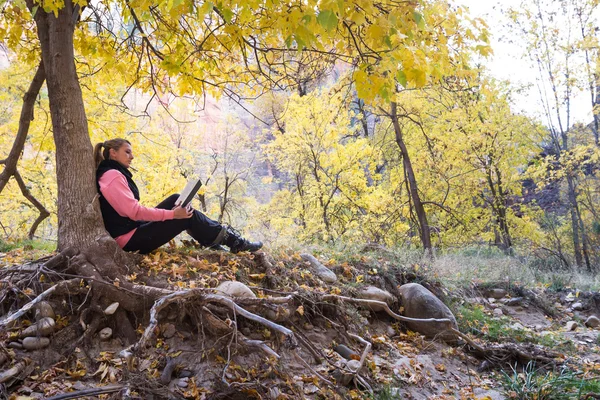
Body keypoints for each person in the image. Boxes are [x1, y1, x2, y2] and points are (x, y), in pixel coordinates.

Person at [93, 138, 262, 254]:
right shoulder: (113, 175)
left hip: (131, 230)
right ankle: (234, 242)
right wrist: (173, 215)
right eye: (127, 152)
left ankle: (216, 240)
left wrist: (174, 211)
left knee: (177, 199)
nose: (132, 156)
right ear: (113, 153)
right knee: (182, 216)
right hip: (128, 240)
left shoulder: (113, 173)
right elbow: (134, 212)